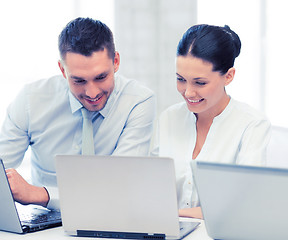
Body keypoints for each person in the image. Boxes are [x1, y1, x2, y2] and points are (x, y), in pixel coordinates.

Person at [0, 17, 156, 209]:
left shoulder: (138, 102)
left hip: (112, 218)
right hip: (42, 228)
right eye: (79, 81)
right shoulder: (30, 101)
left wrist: (40, 194)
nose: (92, 93)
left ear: (115, 61)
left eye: (101, 77)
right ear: (62, 70)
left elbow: (119, 186)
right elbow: (2, 170)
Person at [150, 24, 271, 219]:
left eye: (200, 83)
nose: (188, 92)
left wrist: (175, 214)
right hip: (168, 231)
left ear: (229, 76)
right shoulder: (168, 119)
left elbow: (246, 203)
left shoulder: (252, 125)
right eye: (181, 79)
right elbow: (150, 189)